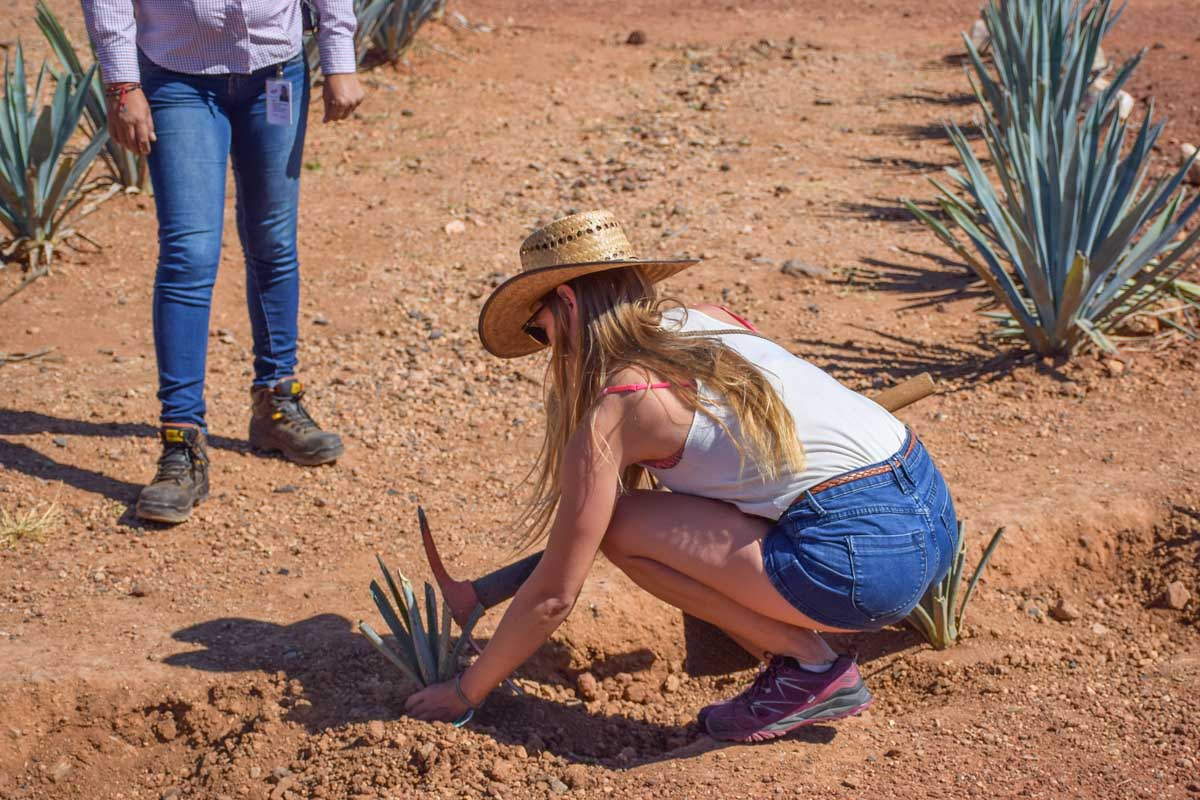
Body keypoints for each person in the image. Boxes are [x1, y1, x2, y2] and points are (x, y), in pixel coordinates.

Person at [404, 211, 959, 742]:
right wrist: (483, 592)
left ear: (568, 302)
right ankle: (799, 659)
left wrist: (464, 691)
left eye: (538, 328)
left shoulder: (623, 405)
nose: (546, 347)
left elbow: (556, 595)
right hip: (934, 517)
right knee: (640, 519)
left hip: (864, 564)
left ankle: (812, 668)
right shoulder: (713, 319)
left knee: (620, 527)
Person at [81, 0, 365, 523]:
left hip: (276, 71)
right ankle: (181, 443)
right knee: (189, 254)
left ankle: (277, 400)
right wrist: (123, 83)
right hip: (176, 78)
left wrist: (339, 54)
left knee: (274, 243)